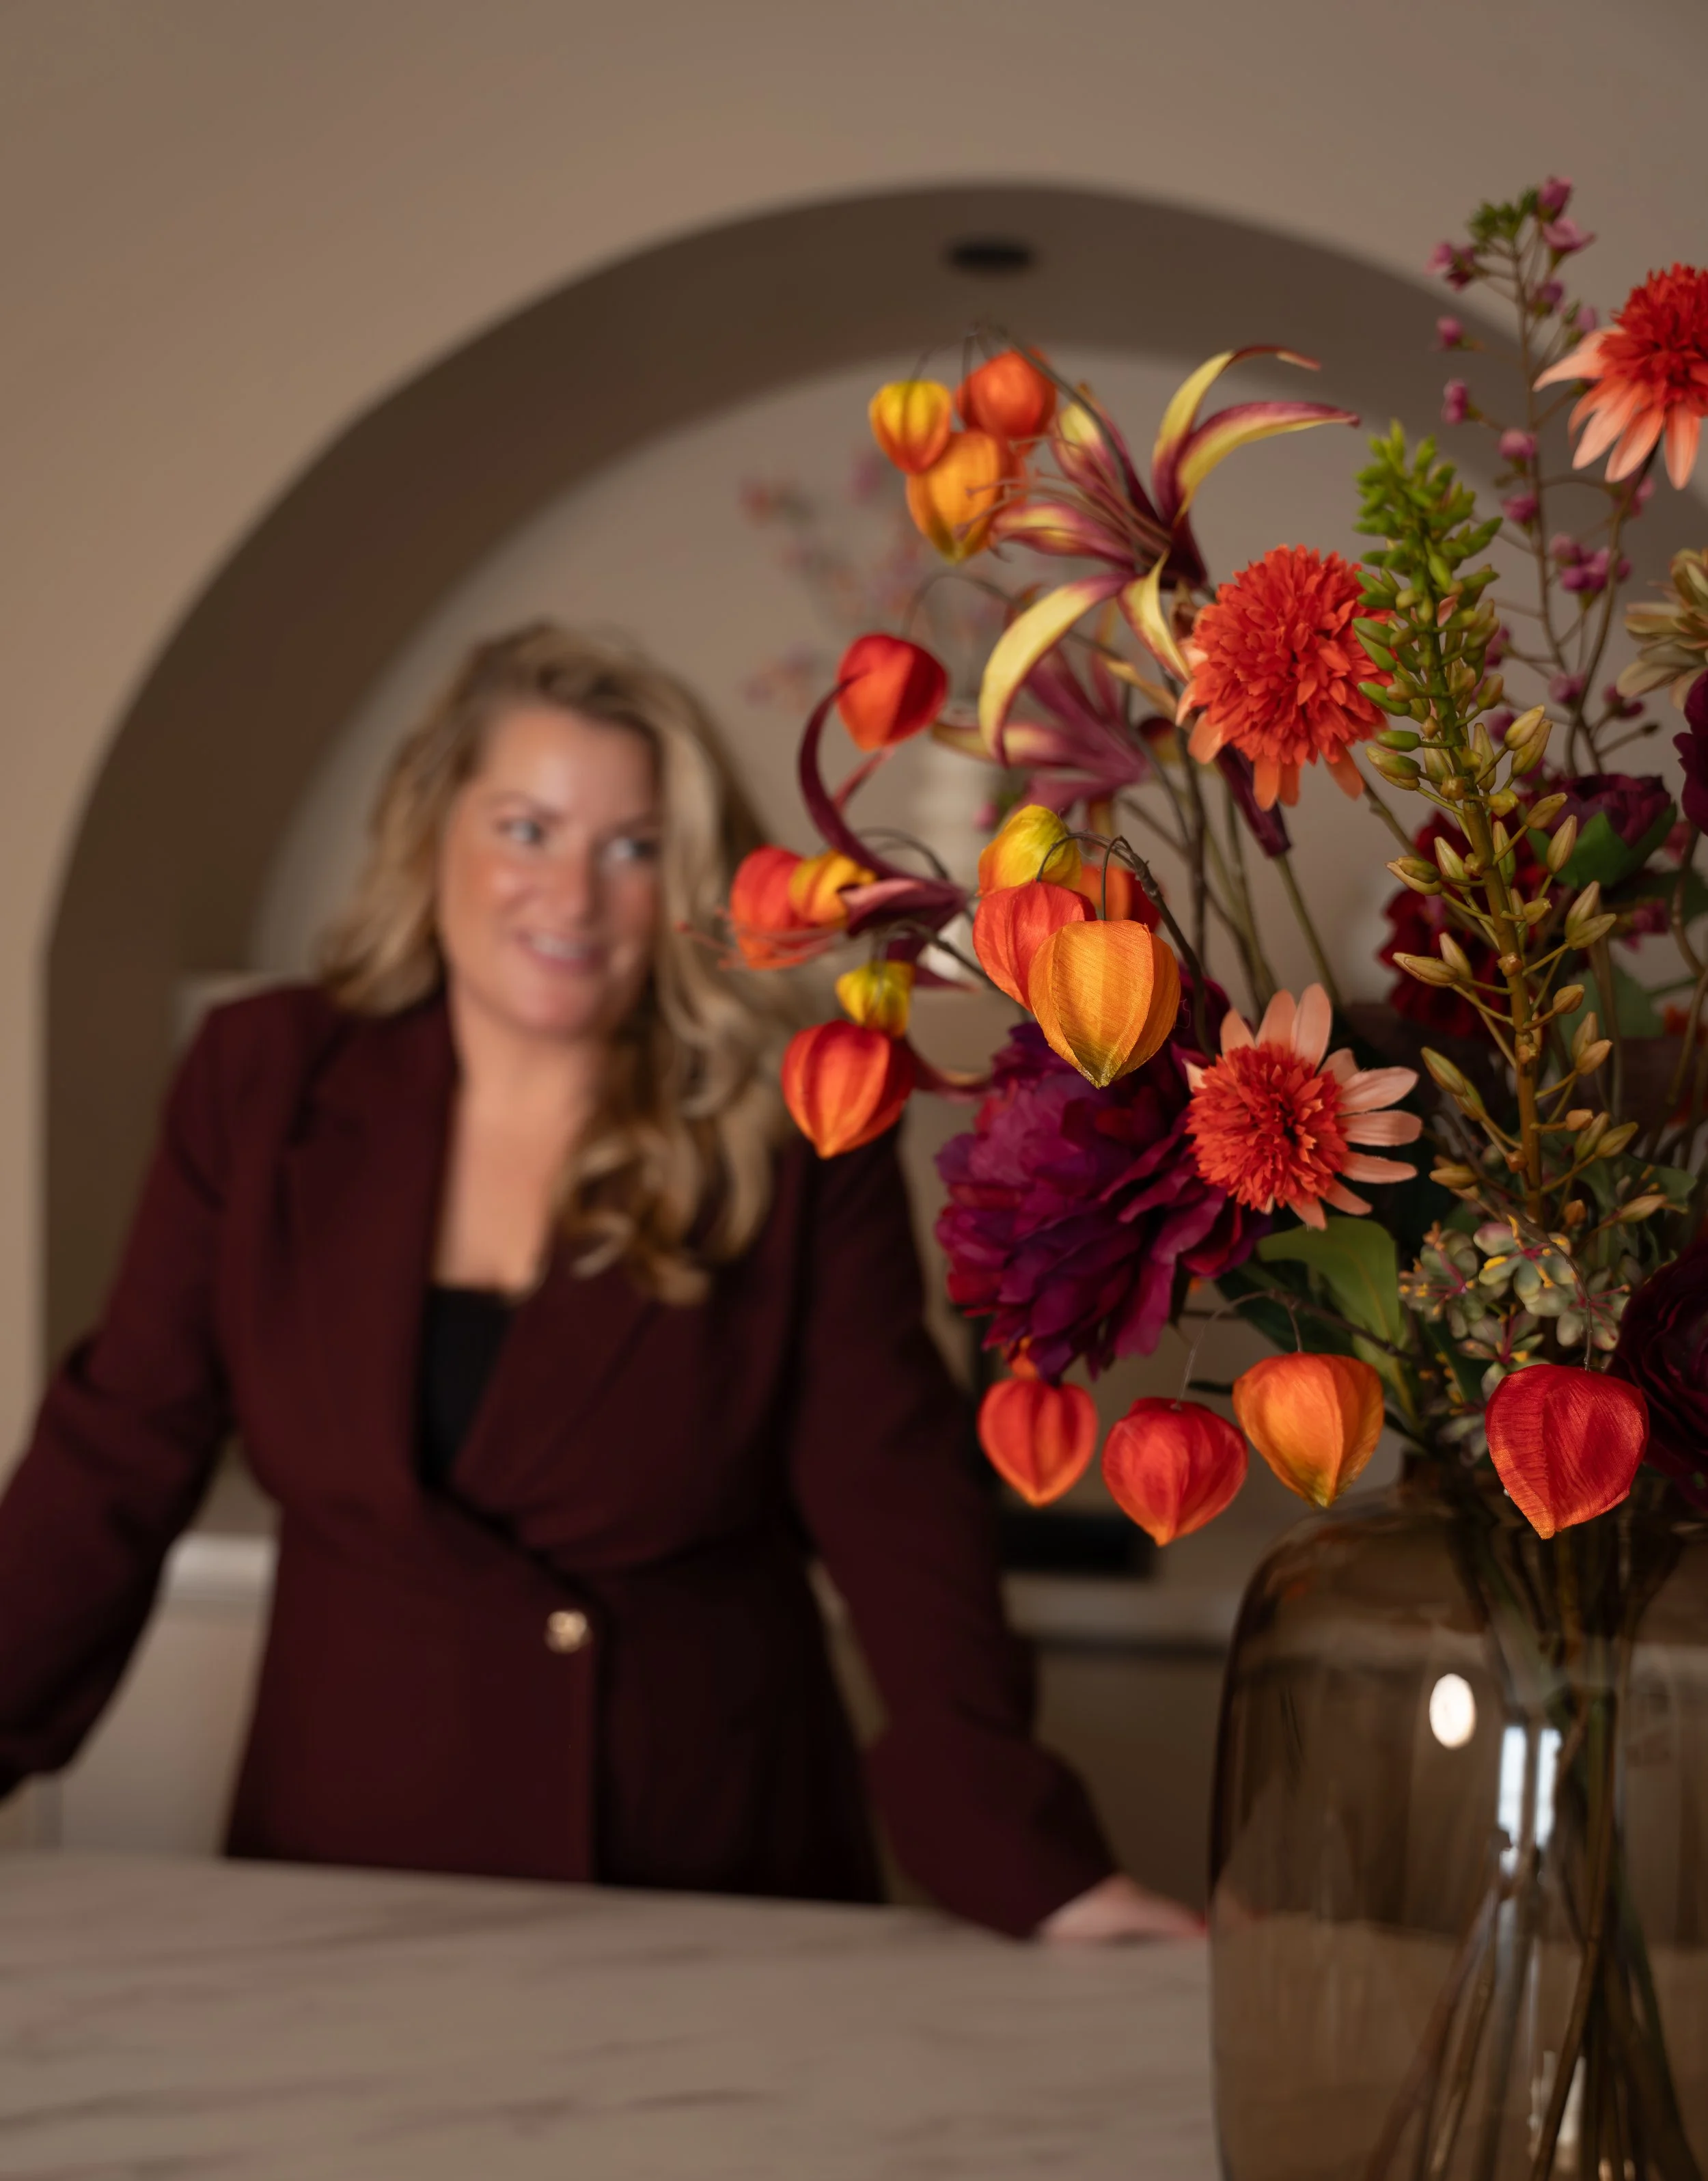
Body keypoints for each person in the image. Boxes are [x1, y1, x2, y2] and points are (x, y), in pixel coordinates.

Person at [0, 625, 1196, 1943]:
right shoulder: (260, 1078)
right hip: (344, 1853)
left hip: (694, 1858)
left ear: (681, 880)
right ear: (431, 831)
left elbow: (897, 1506)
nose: (571, 898)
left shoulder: (791, 1129)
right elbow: (117, 1451)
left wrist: (1039, 1866)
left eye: (630, 848)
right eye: (526, 829)